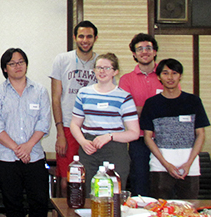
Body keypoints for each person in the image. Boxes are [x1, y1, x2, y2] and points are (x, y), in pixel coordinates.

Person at [0, 48, 52, 217]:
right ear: (5, 68)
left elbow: (44, 122)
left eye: (21, 61)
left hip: (34, 156)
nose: (17, 66)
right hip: (6, 157)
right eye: (12, 63)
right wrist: (17, 148)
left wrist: (28, 146)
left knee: (39, 201)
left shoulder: (40, 91)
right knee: (12, 202)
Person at [70, 53, 140, 194]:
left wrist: (109, 136)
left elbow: (134, 133)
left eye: (107, 68)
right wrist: (83, 142)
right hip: (89, 148)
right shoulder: (84, 93)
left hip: (114, 149)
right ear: (94, 70)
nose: (102, 71)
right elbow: (74, 124)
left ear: (115, 71)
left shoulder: (124, 97)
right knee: (88, 194)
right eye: (99, 67)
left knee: (113, 194)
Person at [141, 59, 210, 199]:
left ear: (180, 76)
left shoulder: (193, 101)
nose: (170, 77)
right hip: (160, 165)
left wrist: (188, 163)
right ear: (159, 77)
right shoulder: (151, 103)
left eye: (174, 73)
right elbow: (148, 137)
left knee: (189, 209)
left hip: (189, 167)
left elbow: (200, 134)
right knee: (160, 210)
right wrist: (166, 164)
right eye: (165, 73)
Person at [50, 21, 99, 196]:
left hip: (94, 129)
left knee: (92, 179)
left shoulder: (101, 62)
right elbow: (56, 98)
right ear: (74, 38)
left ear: (95, 38)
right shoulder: (62, 60)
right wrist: (60, 133)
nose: (85, 40)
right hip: (69, 127)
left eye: (89, 36)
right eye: (81, 36)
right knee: (67, 181)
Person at [118, 33, 163, 196]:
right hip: (138, 139)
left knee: (162, 183)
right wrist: (156, 109)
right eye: (140, 49)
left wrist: (141, 109)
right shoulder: (126, 79)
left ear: (155, 52)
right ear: (134, 54)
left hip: (164, 138)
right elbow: (125, 110)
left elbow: (172, 106)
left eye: (148, 48)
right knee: (140, 181)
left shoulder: (166, 75)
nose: (145, 52)